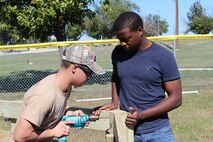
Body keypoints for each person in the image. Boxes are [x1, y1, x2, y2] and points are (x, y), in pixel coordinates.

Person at [95, 11, 182, 142]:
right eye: (119, 39)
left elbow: (176, 98)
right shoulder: (118, 53)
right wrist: (114, 102)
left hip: (158, 132)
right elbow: (115, 77)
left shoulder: (163, 56)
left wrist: (141, 115)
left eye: (126, 38)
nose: (122, 43)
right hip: (126, 131)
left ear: (140, 30)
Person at [13, 44, 105, 142]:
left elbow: (48, 115)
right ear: (74, 68)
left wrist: (67, 114)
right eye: (89, 72)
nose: (90, 77)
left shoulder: (65, 87)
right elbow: (20, 136)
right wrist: (53, 132)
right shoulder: (44, 96)